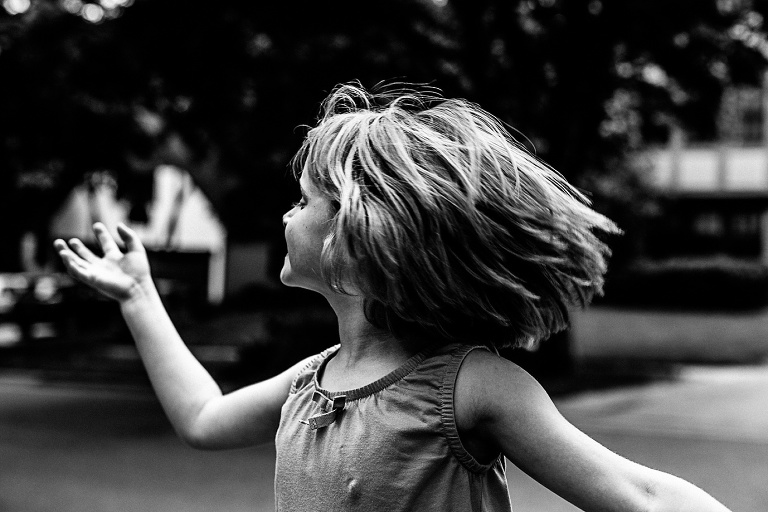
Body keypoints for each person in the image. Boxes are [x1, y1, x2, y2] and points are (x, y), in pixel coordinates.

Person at [54, 82, 732, 512]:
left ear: (357, 234)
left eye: (304, 201)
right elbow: (202, 418)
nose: (286, 214)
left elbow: (640, 494)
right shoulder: (309, 383)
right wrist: (138, 295)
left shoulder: (470, 386)